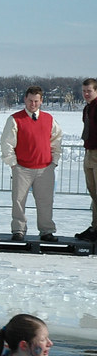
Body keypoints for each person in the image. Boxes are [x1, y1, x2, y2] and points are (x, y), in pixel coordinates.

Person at [0, 86, 62, 242]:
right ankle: (18, 230)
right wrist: (13, 164)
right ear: (25, 100)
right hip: (22, 168)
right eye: (30, 100)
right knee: (19, 200)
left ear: (41, 101)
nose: (33, 104)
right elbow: (7, 143)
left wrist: (54, 162)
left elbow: (57, 141)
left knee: (45, 201)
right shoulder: (15, 119)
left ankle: (46, 230)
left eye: (36, 101)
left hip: (45, 168)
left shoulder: (49, 119)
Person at [77, 78, 97, 241]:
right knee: (93, 192)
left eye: (89, 91)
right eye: (84, 91)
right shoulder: (87, 108)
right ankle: (95, 227)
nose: (86, 94)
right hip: (89, 151)